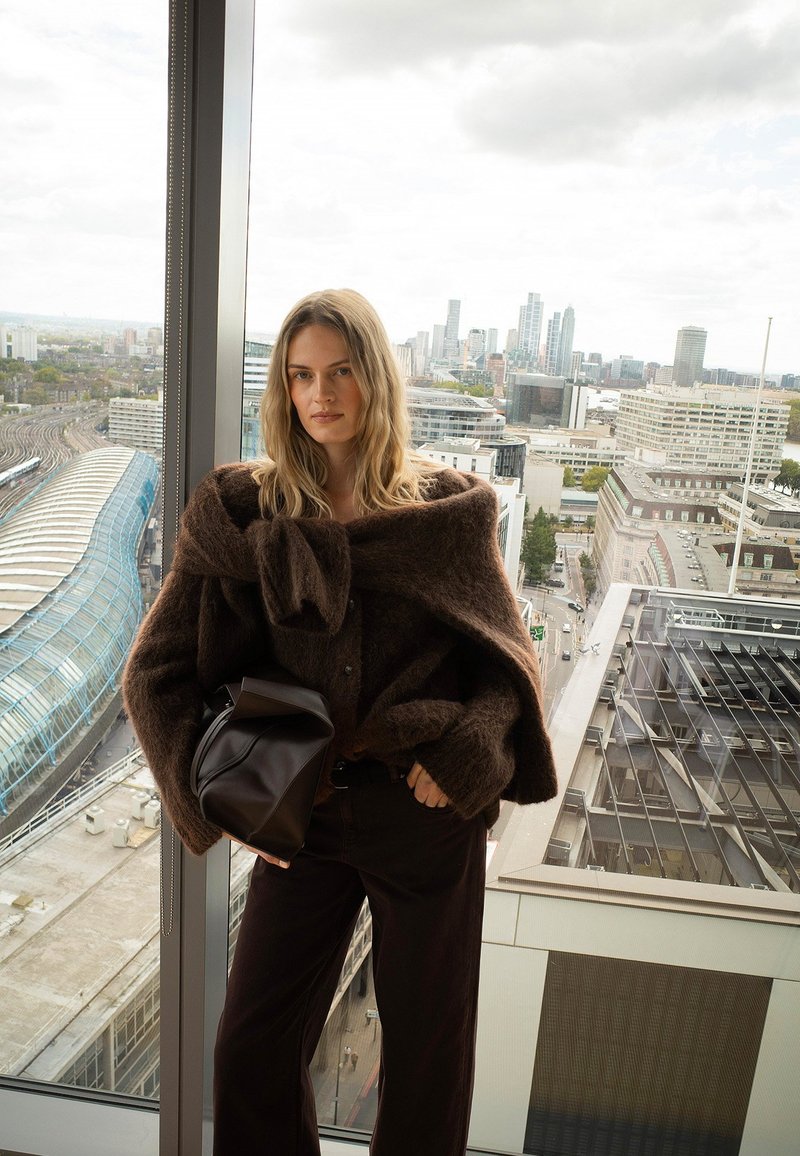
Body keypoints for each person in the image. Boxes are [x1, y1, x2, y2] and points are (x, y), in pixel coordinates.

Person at [123, 288, 557, 1156]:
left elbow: (507, 668)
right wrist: (222, 804)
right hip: (305, 820)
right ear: (283, 390)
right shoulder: (246, 515)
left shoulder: (446, 510)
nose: (319, 394)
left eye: (340, 372)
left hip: (424, 814)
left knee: (430, 1065)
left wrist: (471, 750)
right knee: (249, 1048)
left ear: (376, 377)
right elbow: (153, 674)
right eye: (300, 376)